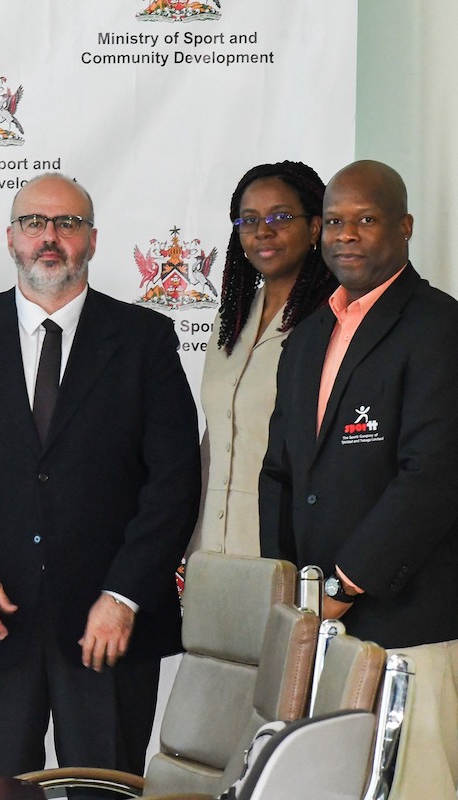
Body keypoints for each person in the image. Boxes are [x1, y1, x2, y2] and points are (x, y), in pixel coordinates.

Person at [0, 173, 200, 783]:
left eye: (67, 224)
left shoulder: (145, 338)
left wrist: (124, 596)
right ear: (10, 238)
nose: (50, 238)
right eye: (34, 223)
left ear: (92, 240)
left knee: (105, 790)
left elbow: (173, 482)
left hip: (109, 628)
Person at [259, 160, 458, 798]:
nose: (346, 235)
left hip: (408, 624)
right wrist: (293, 592)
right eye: (336, 222)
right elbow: (280, 472)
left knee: (416, 787)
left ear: (403, 227)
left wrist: (346, 583)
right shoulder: (309, 333)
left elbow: (431, 479)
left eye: (365, 220)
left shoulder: (438, 327)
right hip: (320, 631)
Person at [190, 162, 336, 555]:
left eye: (281, 217)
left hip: (288, 550)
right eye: (249, 220)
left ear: (316, 228)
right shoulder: (231, 319)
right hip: (212, 551)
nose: (263, 231)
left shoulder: (331, 323)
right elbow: (216, 438)